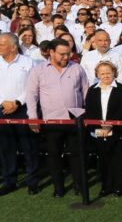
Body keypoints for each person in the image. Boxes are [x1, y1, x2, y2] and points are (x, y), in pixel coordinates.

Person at [25, 39, 90, 198]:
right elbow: (31, 95)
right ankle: (58, 187)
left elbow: (86, 91)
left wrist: (87, 115)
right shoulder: (37, 71)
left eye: (68, 54)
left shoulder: (77, 68)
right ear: (52, 52)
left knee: (77, 154)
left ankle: (79, 184)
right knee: (54, 155)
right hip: (51, 121)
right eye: (62, 54)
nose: (66, 57)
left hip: (75, 119)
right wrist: (32, 117)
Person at [0, 33, 39, 195]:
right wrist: (1, 102)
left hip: (24, 109)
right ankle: (9, 181)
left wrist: (17, 102)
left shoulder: (29, 62)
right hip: (0, 110)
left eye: (1, 44)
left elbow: (33, 87)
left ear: (13, 47)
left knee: (29, 146)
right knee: (5, 147)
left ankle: (32, 181)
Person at [83, 61, 122, 197]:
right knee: (103, 160)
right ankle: (106, 186)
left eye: (108, 73)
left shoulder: (121, 89)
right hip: (98, 131)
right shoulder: (92, 90)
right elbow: (90, 110)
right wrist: (100, 127)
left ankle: (120, 186)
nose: (105, 76)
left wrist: (110, 124)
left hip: (117, 131)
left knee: (117, 159)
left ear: (113, 73)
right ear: (97, 74)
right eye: (102, 73)